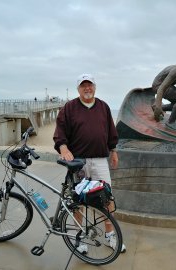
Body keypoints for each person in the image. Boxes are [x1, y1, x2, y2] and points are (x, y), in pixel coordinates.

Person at [53, 73, 126, 254]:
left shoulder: (103, 107)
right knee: (78, 199)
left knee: (106, 197)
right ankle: (79, 236)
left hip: (100, 160)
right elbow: (60, 131)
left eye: (90, 85)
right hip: (78, 162)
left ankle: (110, 234)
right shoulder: (69, 108)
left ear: (95, 87)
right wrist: (63, 147)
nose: (87, 88)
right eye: (83, 85)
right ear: (78, 88)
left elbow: (110, 131)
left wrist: (113, 150)